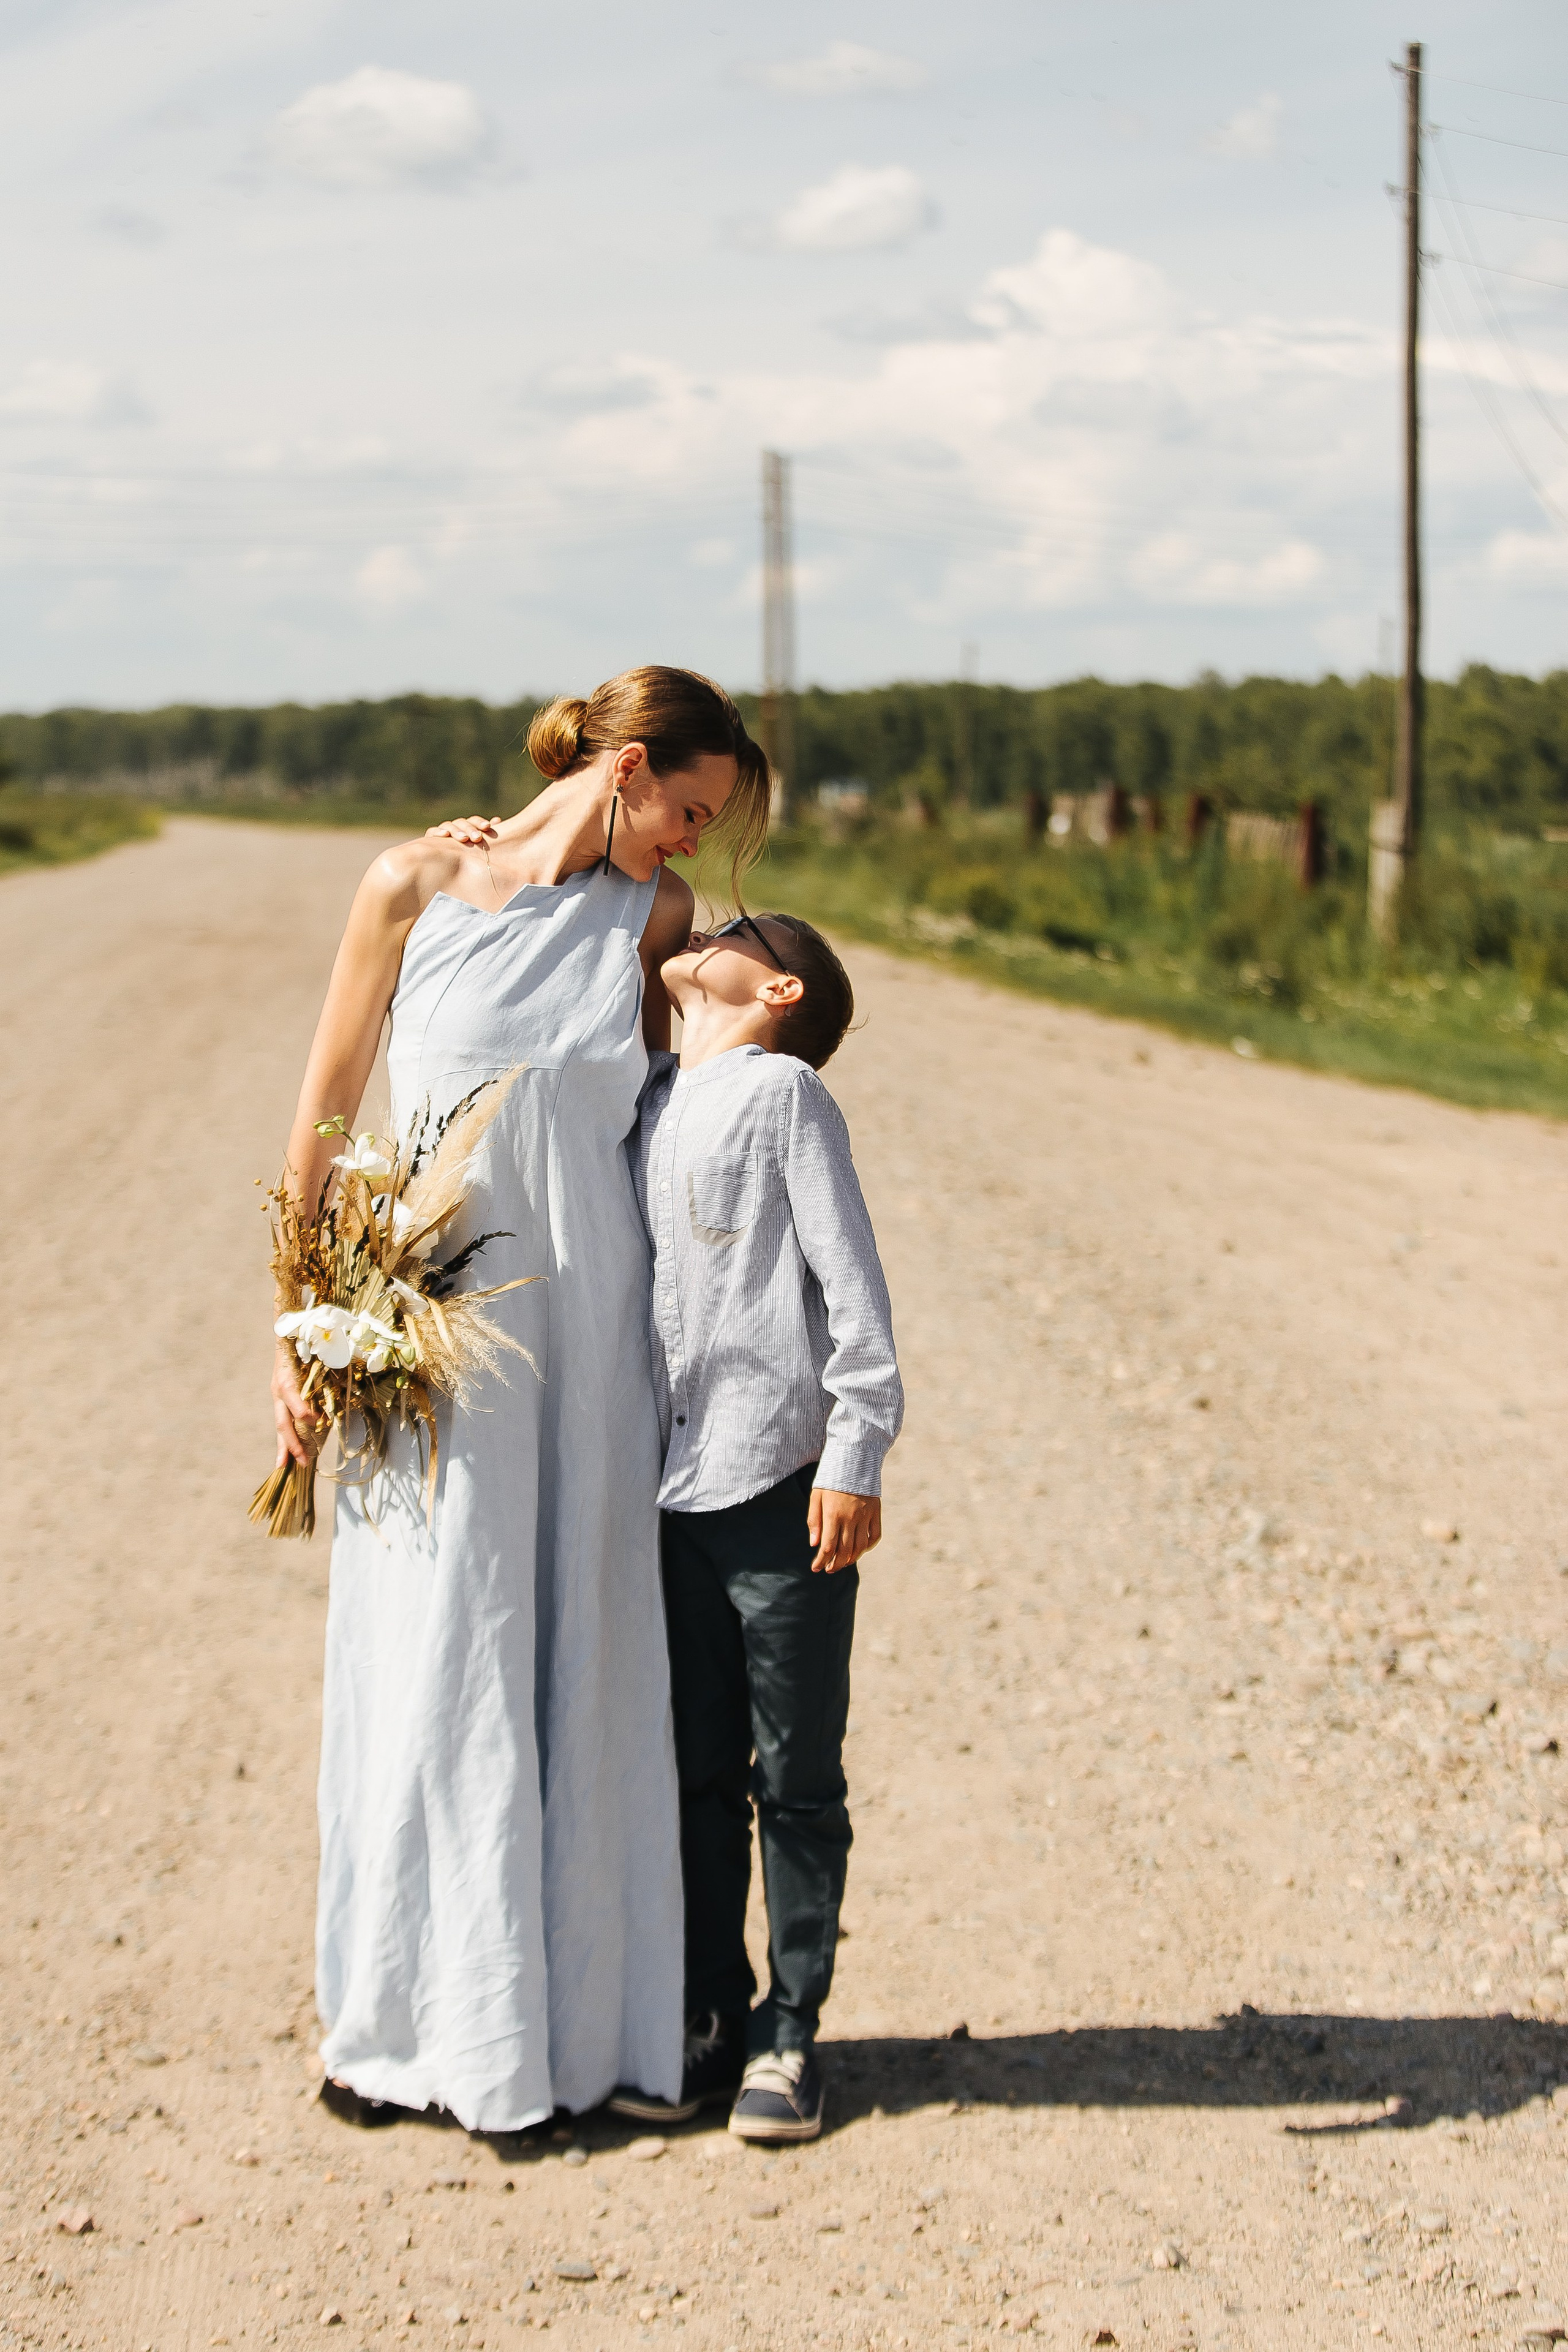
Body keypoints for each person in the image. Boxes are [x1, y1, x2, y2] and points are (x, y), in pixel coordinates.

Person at [269, 666, 770, 2133]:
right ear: (626, 768)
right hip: (427, 1342)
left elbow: (705, 1100)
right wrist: (295, 1326)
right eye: (689, 808)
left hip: (592, 1348)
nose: (693, 840)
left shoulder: (656, 922)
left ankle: (573, 2039)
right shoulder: (410, 885)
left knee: (579, 1658)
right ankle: (400, 2034)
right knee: (431, 1653)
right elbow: (324, 1110)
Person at [611, 909, 903, 2143]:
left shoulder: (785, 1096)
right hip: (669, 1495)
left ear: (779, 990)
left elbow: (851, 1284)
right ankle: (707, 2019)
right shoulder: (653, 1095)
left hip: (780, 1487)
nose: (707, 926)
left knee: (793, 1777)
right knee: (692, 1776)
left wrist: (856, 1450)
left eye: (739, 930)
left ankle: (790, 2032)